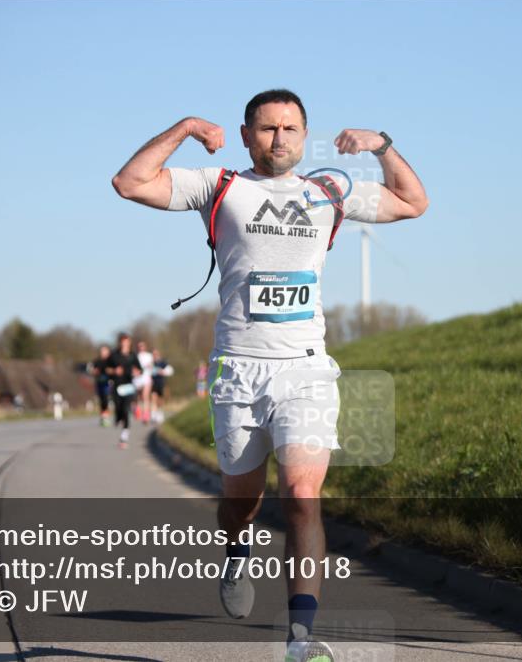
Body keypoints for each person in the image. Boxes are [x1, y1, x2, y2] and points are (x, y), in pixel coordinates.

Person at [111, 89, 427, 659]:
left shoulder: (329, 191)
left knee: (304, 495)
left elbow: (413, 202)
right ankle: (236, 552)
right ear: (245, 133)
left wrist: (382, 146)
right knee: (242, 501)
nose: (278, 139)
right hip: (239, 369)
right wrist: (183, 127)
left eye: (289, 129)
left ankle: (300, 641)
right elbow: (130, 182)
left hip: (305, 368)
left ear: (305, 136)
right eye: (266, 129)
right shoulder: (221, 186)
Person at [109, 333, 141, 447]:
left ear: (129, 342)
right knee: (118, 409)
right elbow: (106, 369)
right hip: (117, 386)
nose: (124, 343)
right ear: (120, 342)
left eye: (126, 341)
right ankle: (118, 419)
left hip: (128, 386)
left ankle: (124, 436)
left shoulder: (132, 355)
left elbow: (139, 369)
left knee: (125, 409)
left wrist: (137, 372)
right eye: (122, 341)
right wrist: (114, 371)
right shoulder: (114, 355)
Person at [150, 349, 173, 424]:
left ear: (158, 354)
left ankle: (159, 413)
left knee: (160, 399)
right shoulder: (151, 362)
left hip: (161, 382)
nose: (155, 356)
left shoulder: (163, 362)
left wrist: (162, 372)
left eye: (156, 354)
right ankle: (153, 415)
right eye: (153, 354)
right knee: (153, 397)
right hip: (153, 383)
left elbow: (170, 370)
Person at [92, 344, 113, 427]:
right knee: (101, 400)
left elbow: (113, 371)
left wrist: (110, 371)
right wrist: (94, 371)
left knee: (106, 398)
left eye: (105, 351)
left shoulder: (111, 361)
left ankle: (106, 416)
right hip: (99, 382)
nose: (103, 353)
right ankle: (103, 416)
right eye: (102, 351)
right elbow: (93, 371)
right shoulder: (97, 361)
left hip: (108, 383)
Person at [134, 340, 154, 424]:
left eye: (142, 346)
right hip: (137, 379)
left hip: (146, 378)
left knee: (145, 396)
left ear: (145, 347)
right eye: (139, 346)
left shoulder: (149, 355)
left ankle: (146, 415)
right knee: (139, 397)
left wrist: (147, 366)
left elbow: (151, 365)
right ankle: (139, 411)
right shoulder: (135, 356)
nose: (141, 347)